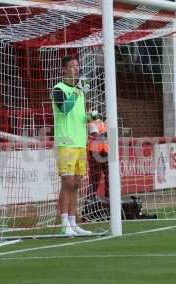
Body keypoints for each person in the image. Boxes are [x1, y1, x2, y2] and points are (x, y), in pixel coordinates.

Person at [51, 55, 92, 236]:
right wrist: (77, 90)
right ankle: (64, 223)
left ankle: (74, 223)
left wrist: (91, 118)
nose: (76, 69)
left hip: (80, 142)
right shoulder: (59, 89)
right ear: (63, 69)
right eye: (72, 66)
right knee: (67, 182)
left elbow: (79, 116)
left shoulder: (80, 91)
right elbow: (65, 109)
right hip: (66, 141)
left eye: (77, 66)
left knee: (76, 183)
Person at [88, 112, 109, 200]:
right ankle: (90, 198)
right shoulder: (92, 124)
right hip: (95, 152)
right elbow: (95, 135)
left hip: (105, 150)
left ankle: (108, 196)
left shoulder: (102, 123)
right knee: (95, 177)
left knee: (108, 175)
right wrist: (106, 135)